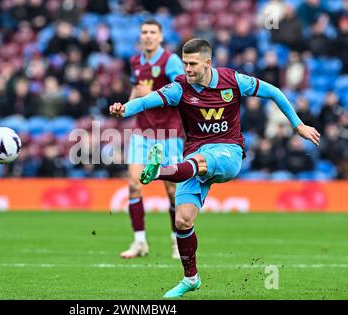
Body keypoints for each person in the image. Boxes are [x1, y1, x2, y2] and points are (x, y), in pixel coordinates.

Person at [109, 38, 320, 298]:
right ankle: (190, 278)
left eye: (193, 64)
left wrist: (297, 124)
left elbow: (274, 91)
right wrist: (124, 108)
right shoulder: (180, 88)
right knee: (183, 220)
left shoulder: (233, 81)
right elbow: (145, 101)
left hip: (228, 151)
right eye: (185, 63)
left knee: (195, 164)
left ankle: (159, 172)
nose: (187, 69)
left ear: (207, 63)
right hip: (194, 154)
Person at [120, 19, 185, 259]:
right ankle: (139, 242)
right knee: (134, 185)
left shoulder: (171, 61)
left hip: (168, 132)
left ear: (160, 36)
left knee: (171, 190)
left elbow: (182, 91)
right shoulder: (136, 61)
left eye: (152, 32)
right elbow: (136, 91)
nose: (147, 36)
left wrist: (154, 94)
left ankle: (177, 241)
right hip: (142, 131)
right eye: (144, 32)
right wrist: (124, 108)